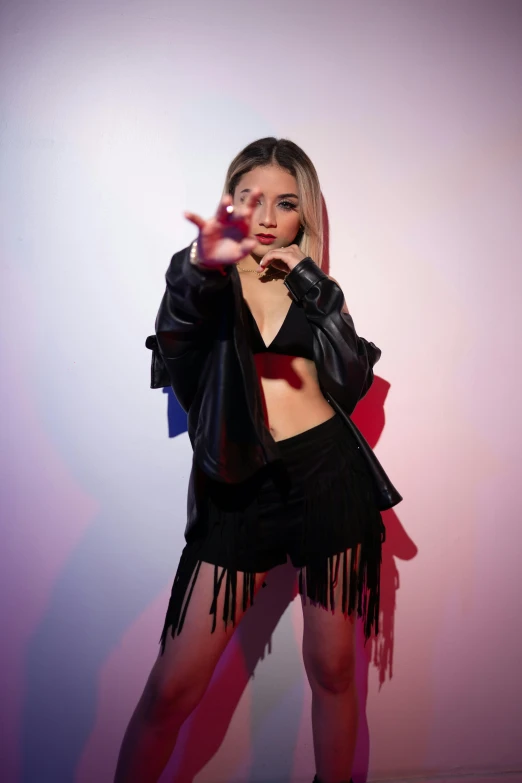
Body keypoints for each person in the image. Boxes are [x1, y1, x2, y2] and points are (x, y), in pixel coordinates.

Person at [114, 137, 401, 783]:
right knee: (172, 686)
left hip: (329, 479)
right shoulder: (202, 276)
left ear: (305, 215)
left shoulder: (314, 284)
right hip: (237, 490)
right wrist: (199, 265)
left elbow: (351, 379)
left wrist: (308, 279)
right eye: (251, 197)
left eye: (286, 202)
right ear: (230, 202)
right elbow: (176, 332)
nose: (268, 214)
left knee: (331, 669)